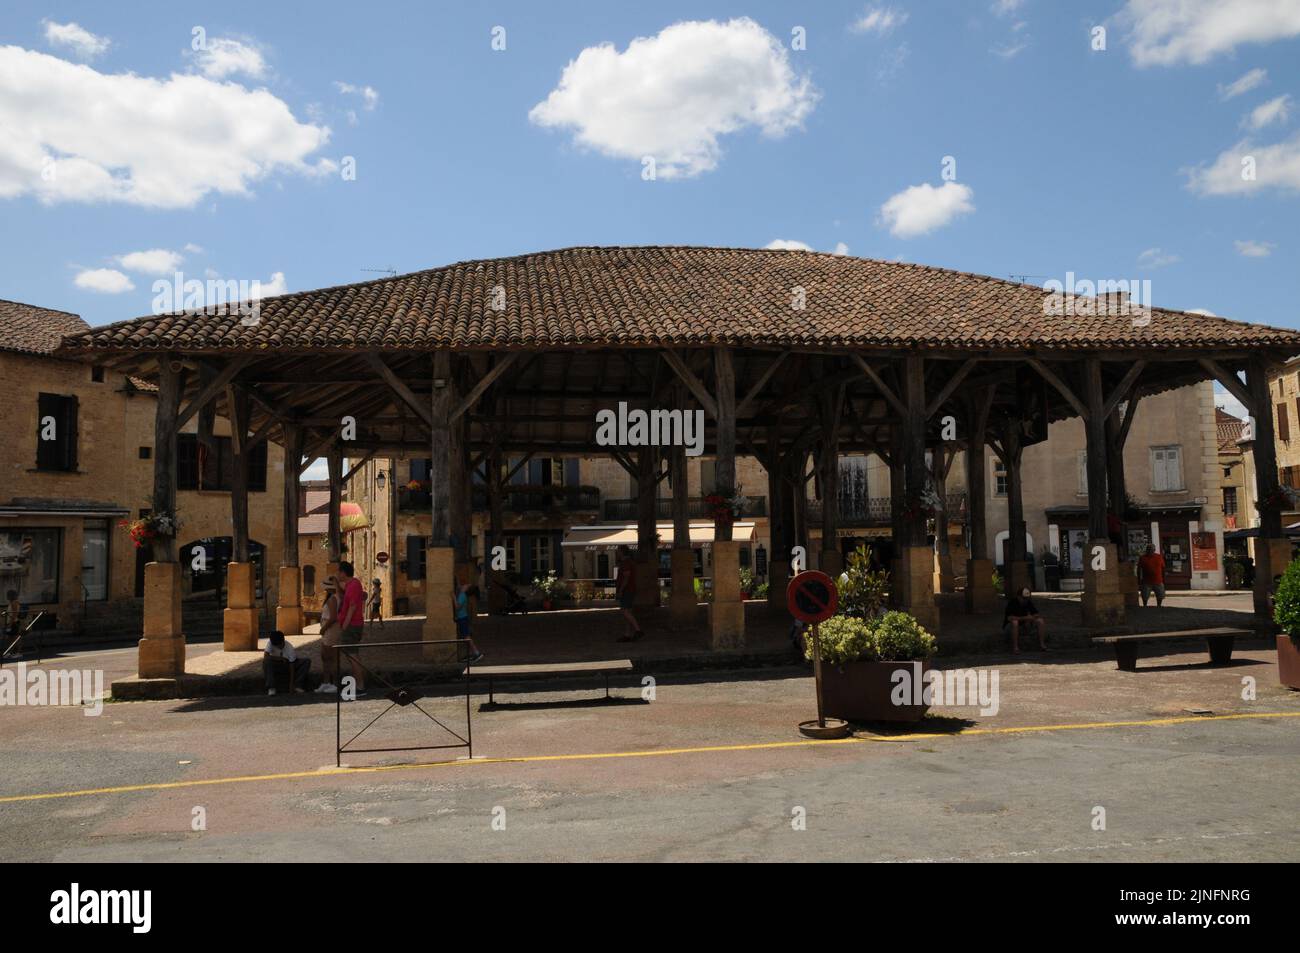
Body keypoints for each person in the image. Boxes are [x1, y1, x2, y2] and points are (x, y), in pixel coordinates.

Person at [336, 561, 367, 695]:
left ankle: (360, 686)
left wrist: (344, 625)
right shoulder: (350, 585)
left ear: (343, 572)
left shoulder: (354, 585)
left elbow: (352, 606)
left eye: (339, 572)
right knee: (350, 654)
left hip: (352, 625)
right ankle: (357, 684)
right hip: (351, 624)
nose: (338, 574)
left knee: (352, 655)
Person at [315, 575, 342, 693]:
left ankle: (334, 684)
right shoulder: (333, 598)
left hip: (330, 630)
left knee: (331, 658)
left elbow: (333, 617)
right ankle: (326, 682)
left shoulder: (332, 599)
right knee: (325, 657)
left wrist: (324, 628)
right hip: (328, 630)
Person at [263, 630, 310, 695]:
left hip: (288, 665)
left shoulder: (289, 648)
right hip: (277, 664)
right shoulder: (270, 643)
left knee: (306, 661)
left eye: (280, 645)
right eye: (276, 646)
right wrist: (280, 659)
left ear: (283, 641)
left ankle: (297, 685)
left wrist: (291, 684)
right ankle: (271, 687)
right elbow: (266, 656)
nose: (278, 647)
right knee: (266, 661)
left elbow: (292, 666)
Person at [1004, 586, 1047, 654]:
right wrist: (1025, 618)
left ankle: (1042, 644)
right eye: (1024, 598)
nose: (1025, 600)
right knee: (1015, 622)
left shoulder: (1028, 602)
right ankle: (1015, 647)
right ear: (1018, 596)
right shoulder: (1012, 603)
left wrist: (1031, 618)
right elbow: (1010, 618)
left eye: (1027, 598)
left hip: (1024, 625)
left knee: (1040, 621)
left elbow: (1036, 614)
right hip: (1010, 627)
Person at [614, 544, 644, 643]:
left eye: (618, 551)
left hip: (627, 590)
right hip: (630, 590)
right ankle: (627, 634)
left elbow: (626, 578)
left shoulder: (626, 563)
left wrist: (621, 590)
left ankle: (638, 630)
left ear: (622, 552)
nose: (617, 553)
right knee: (628, 612)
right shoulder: (628, 562)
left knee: (624, 611)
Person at [454, 580, 485, 662]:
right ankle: (469, 653)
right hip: (463, 618)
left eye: (466, 585)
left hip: (462, 618)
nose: (464, 585)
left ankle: (477, 653)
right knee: (465, 637)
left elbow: (457, 607)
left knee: (467, 637)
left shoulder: (462, 595)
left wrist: (453, 597)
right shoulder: (463, 594)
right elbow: (459, 585)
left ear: (466, 589)